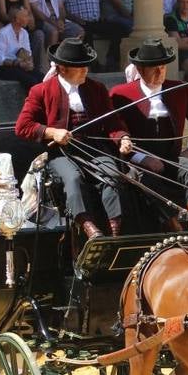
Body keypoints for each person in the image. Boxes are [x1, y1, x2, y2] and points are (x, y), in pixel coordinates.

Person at [15, 36, 122, 239]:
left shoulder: (96, 89)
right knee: (72, 179)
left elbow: (113, 123)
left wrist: (122, 138)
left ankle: (115, 230)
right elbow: (23, 126)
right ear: (63, 69)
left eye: (86, 66)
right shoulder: (41, 91)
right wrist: (51, 132)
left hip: (95, 150)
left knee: (112, 175)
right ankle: (89, 228)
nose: (85, 71)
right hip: (60, 153)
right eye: (80, 67)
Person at [107, 38, 188, 230]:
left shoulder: (178, 90)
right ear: (140, 70)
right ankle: (174, 224)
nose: (160, 72)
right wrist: (142, 158)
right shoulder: (120, 94)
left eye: (163, 67)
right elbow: (113, 129)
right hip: (136, 162)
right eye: (154, 68)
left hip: (172, 158)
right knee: (143, 179)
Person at [0, 7, 40, 91]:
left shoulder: (24, 33)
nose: (28, 19)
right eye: (25, 16)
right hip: (5, 68)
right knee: (31, 81)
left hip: (21, 65)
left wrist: (29, 63)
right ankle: (31, 103)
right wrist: (18, 63)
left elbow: (28, 53)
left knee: (42, 78)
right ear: (16, 19)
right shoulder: (2, 34)